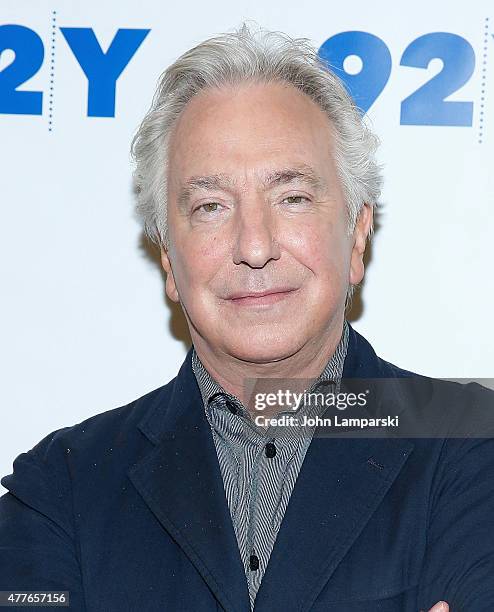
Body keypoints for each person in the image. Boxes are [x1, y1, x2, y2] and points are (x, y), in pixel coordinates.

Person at [1, 22, 492, 612]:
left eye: (292, 198)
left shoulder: (471, 446)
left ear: (357, 234)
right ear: (167, 256)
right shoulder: (61, 489)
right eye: (211, 206)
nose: (254, 246)